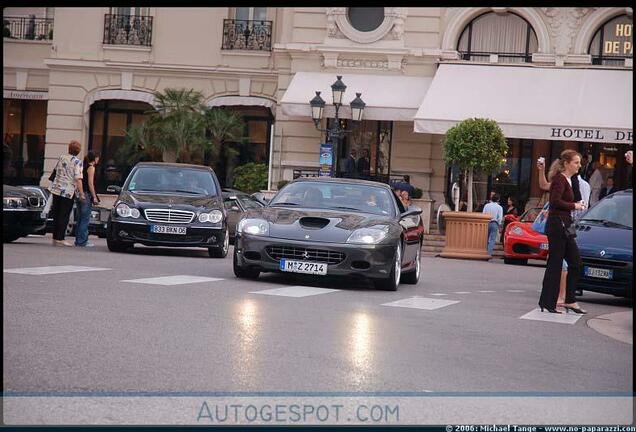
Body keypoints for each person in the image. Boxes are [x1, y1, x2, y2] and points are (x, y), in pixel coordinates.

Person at [538, 149, 586, 314]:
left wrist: (577, 194)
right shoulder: (559, 179)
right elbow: (555, 201)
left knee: (576, 263)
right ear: (566, 164)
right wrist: (575, 206)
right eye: (576, 162)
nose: (579, 165)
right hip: (557, 224)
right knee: (555, 263)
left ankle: (570, 300)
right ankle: (548, 302)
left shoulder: (570, 180)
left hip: (565, 224)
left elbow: (577, 198)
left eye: (579, 162)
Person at [49, 140, 85, 247]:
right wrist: (82, 193)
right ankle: (60, 238)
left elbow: (55, 171)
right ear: (78, 151)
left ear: (69, 149)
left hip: (56, 189)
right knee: (64, 215)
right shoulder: (77, 162)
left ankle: (55, 238)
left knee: (56, 214)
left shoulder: (61, 158)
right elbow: (78, 179)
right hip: (68, 192)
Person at [75, 151, 100, 247]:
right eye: (98, 158)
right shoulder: (91, 168)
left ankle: (79, 240)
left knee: (80, 218)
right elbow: (90, 183)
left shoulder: (83, 166)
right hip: (86, 194)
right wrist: (94, 196)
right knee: (85, 218)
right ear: (95, 158)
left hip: (79, 193)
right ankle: (82, 241)